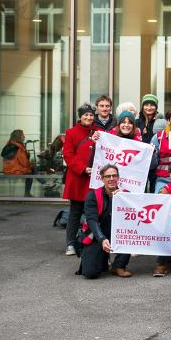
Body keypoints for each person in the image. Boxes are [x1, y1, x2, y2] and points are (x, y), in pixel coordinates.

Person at [79, 164, 133, 279]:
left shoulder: (127, 195)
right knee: (90, 273)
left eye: (114, 175)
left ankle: (119, 265)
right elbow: (92, 220)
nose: (111, 179)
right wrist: (102, 239)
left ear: (118, 177)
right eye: (108, 176)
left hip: (119, 233)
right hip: (97, 235)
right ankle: (102, 258)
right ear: (102, 178)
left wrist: (122, 199)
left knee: (130, 233)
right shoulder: (92, 195)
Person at [62, 104, 97, 256]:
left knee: (92, 213)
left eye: (91, 115)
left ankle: (88, 242)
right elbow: (68, 155)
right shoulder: (71, 132)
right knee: (75, 213)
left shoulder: (99, 132)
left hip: (94, 179)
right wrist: (83, 168)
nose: (88, 118)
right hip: (78, 178)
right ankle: (70, 244)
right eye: (85, 115)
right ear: (80, 117)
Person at [2, 129, 33, 197]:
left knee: (32, 170)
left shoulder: (9, 144)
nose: (24, 136)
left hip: (8, 169)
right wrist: (30, 164)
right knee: (32, 171)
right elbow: (24, 162)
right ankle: (46, 183)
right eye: (23, 135)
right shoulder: (18, 147)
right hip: (15, 170)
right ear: (19, 137)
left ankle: (45, 183)